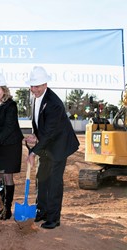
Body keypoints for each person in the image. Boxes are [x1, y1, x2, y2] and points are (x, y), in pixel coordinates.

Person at [25, 66, 80, 229]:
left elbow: (49, 133)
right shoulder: (35, 97)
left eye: (37, 86)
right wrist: (35, 135)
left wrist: (33, 152)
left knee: (54, 182)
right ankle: (41, 211)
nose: (33, 89)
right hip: (46, 145)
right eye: (32, 86)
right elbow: (40, 123)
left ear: (45, 85)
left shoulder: (54, 103)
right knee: (41, 178)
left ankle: (53, 218)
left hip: (59, 147)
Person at [0, 72, 24, 220]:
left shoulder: (11, 105)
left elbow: (8, 127)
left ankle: (7, 210)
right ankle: (0, 206)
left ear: (4, 90)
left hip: (11, 143)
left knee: (7, 176)